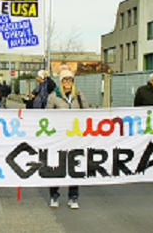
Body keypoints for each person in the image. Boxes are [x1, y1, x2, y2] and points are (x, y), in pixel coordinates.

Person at [46, 70, 89, 209]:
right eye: (65, 80)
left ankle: (73, 196)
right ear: (61, 81)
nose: (67, 83)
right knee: (56, 166)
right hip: (59, 136)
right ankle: (54, 196)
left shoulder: (79, 95)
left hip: (75, 137)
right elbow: (47, 116)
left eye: (70, 80)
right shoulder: (53, 97)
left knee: (74, 166)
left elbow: (87, 112)